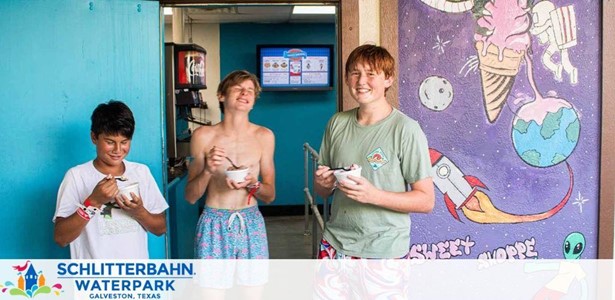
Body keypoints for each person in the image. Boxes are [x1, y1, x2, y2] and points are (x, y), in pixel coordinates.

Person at [314, 44, 435, 259]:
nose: (361, 81)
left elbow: (426, 201)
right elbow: (324, 192)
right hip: (334, 244)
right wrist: (324, 184)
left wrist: (373, 195)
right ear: (346, 78)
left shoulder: (406, 129)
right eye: (355, 73)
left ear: (388, 79)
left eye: (371, 74)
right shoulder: (337, 123)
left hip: (384, 250)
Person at [53, 100, 168, 259]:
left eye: (124, 142)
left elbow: (161, 228)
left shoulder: (141, 173)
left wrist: (139, 211)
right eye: (110, 142)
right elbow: (61, 238)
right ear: (94, 137)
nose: (118, 150)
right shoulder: (76, 176)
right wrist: (93, 202)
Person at [185, 70, 275, 260]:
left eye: (250, 90)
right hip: (213, 222)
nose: (245, 93)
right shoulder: (203, 136)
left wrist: (253, 184)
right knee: (212, 289)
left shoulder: (264, 136)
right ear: (221, 95)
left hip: (251, 221)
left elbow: (270, 195)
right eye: (238, 88)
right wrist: (208, 170)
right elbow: (191, 196)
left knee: (253, 289)